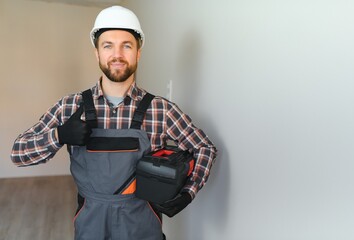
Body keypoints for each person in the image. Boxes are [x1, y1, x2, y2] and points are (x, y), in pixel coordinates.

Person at [10, 5, 217, 240]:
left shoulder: (160, 109)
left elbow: (205, 148)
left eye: (126, 45)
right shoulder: (70, 107)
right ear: (97, 53)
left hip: (142, 226)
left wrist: (188, 192)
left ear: (138, 53)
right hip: (91, 226)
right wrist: (58, 135)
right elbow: (18, 153)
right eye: (108, 45)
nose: (117, 54)